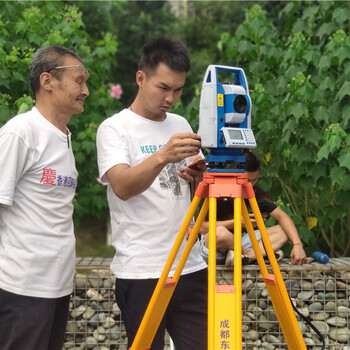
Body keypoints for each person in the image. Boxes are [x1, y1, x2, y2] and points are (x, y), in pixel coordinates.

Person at [96, 37, 208, 349]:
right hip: (142, 269)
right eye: (163, 87)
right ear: (140, 78)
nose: (171, 98)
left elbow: (193, 192)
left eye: (178, 89)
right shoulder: (114, 128)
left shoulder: (180, 123)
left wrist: (196, 178)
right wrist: (162, 155)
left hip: (191, 265)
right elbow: (122, 187)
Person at [0, 45, 89, 350]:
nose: (86, 91)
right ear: (47, 81)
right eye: (79, 80)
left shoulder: (63, 136)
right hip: (21, 288)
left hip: (57, 286)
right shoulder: (21, 133)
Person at [200, 151, 307, 266]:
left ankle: (247, 258)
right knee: (221, 233)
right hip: (214, 247)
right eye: (246, 180)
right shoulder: (217, 188)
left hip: (240, 242)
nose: (250, 185)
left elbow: (282, 216)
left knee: (283, 231)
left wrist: (297, 245)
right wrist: (236, 222)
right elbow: (201, 227)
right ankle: (252, 254)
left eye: (254, 180)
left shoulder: (256, 192)